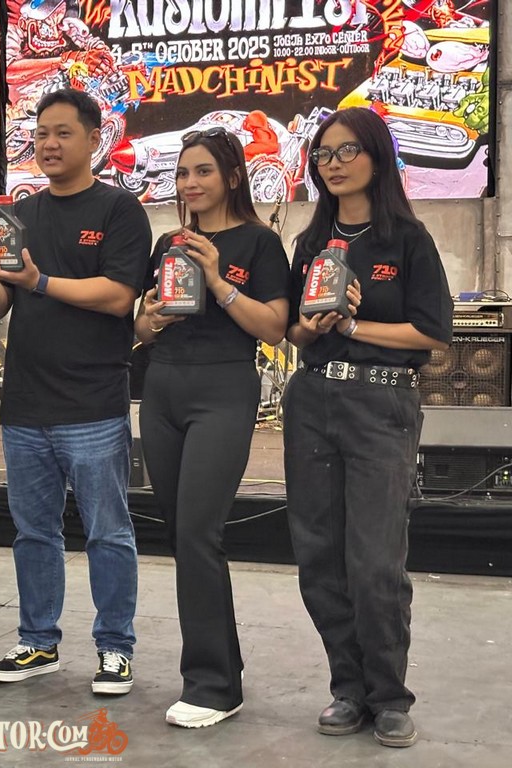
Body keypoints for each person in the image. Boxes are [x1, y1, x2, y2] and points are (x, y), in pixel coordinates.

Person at [0, 88, 151, 694]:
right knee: (33, 533)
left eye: (62, 133)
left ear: (95, 139)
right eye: (41, 133)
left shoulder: (119, 210)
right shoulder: (21, 214)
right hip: (26, 403)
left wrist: (39, 279)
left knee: (108, 532)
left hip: (93, 402)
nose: (48, 144)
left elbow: (118, 297)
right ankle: (38, 641)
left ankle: (115, 648)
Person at [283, 107, 452, 748]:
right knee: (319, 556)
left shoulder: (406, 239)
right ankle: (347, 688)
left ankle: (390, 696)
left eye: (347, 150)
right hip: (313, 399)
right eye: (323, 154)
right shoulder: (311, 243)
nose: (333, 164)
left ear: (377, 157)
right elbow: (295, 332)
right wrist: (313, 326)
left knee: (375, 561)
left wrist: (354, 326)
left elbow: (432, 333)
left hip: (382, 405)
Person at [135, 127, 290, 726]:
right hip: (163, 387)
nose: (189, 183)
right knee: (183, 535)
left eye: (202, 171)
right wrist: (151, 317)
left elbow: (273, 328)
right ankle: (223, 670)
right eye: (182, 173)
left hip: (223, 389)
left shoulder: (259, 243)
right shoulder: (167, 243)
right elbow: (142, 329)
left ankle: (211, 685)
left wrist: (220, 282)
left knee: (200, 531)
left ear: (232, 176)